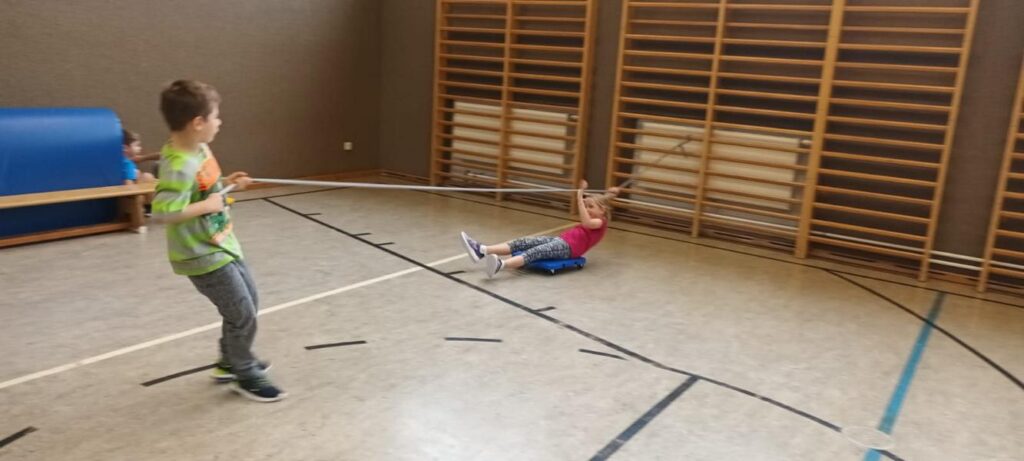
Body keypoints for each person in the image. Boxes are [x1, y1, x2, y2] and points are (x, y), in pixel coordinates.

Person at [152, 80, 285, 402]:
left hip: (222, 242)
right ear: (198, 122)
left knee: (248, 303)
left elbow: (205, 188)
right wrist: (207, 206)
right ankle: (244, 372)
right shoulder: (179, 165)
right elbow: (162, 211)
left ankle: (230, 360)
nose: (220, 122)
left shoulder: (199, 148)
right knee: (241, 312)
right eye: (215, 116)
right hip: (200, 254)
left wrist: (228, 183)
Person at [460, 180, 620, 277]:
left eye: (591, 207)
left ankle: (500, 265)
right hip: (561, 241)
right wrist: (612, 194)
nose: (588, 209)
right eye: (587, 206)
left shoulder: (600, 222)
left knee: (535, 252)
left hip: (568, 249)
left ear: (603, 210)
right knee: (523, 242)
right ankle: (482, 250)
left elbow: (586, 222)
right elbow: (601, 202)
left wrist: (580, 197)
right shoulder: (600, 214)